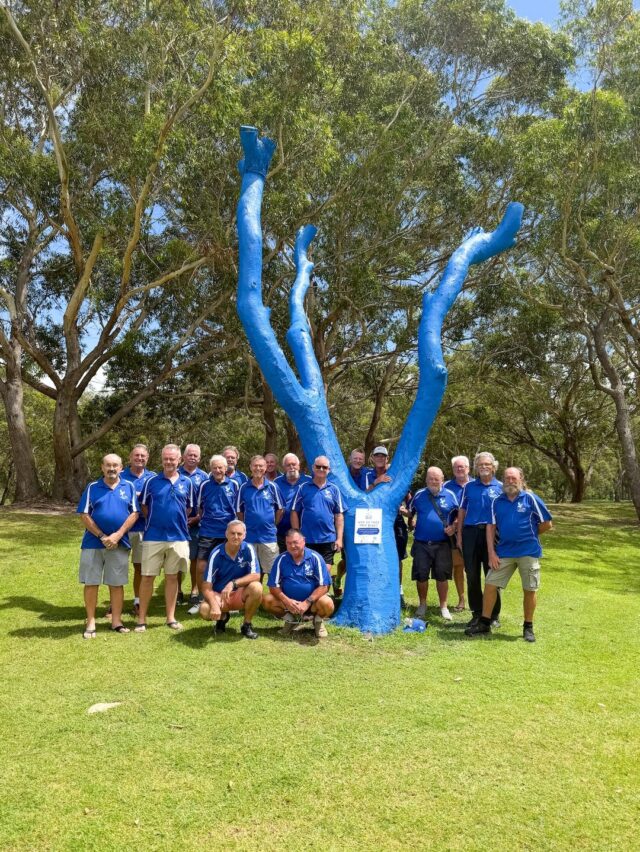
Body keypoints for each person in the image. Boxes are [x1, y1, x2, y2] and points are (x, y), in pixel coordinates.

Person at [466, 467, 552, 641]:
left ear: (521, 479)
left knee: (529, 589)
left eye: (514, 478)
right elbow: (491, 527)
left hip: (528, 552)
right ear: (503, 480)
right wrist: (491, 552)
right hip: (504, 552)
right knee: (490, 584)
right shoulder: (496, 501)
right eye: (507, 478)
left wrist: (529, 535)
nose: (510, 481)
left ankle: (528, 627)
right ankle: (485, 623)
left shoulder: (530, 498)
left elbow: (547, 523)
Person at [77, 453, 139, 638]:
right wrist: (102, 536)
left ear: (121, 468)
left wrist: (118, 535)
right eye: (108, 465)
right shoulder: (92, 487)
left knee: (117, 583)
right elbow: (84, 514)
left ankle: (116, 621)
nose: (112, 468)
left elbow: (134, 513)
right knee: (91, 582)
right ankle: (90, 622)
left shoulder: (129, 486)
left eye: (115, 465)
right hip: (93, 543)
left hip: (119, 543)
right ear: (102, 467)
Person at [135, 444, 194, 632]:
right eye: (165, 459)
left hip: (179, 536)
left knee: (172, 577)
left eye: (172, 459)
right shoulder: (151, 482)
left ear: (179, 460)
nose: (168, 462)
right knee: (147, 577)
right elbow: (144, 507)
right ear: (161, 460)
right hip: (153, 536)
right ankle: (141, 620)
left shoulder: (187, 482)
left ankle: (170, 618)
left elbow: (188, 508)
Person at [456, 451, 503, 630]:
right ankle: (477, 613)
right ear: (476, 467)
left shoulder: (501, 487)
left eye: (487, 464)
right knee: (472, 575)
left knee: (493, 574)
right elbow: (462, 511)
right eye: (480, 464)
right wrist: (459, 535)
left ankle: (493, 615)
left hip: (493, 534)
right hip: (471, 533)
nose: (484, 467)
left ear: (493, 467)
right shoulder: (468, 487)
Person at [190, 454, 240, 614]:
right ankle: (202, 599)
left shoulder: (234, 484)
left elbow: (238, 508)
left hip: (227, 533)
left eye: (220, 467)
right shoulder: (204, 485)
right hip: (208, 531)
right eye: (214, 468)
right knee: (201, 567)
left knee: (227, 567)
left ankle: (227, 599)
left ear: (226, 468)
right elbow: (199, 508)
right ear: (210, 469)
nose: (218, 470)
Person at [262, 528, 334, 638]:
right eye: (289, 543)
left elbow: (324, 586)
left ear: (303, 541)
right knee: (267, 600)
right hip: (289, 604)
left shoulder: (315, 558)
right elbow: (273, 586)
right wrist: (287, 601)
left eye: (295, 542)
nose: (292, 546)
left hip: (312, 604)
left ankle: (318, 621)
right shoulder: (281, 559)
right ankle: (291, 620)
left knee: (327, 603)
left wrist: (307, 602)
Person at [408, 467, 458, 621]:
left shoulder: (450, 495)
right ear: (426, 480)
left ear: (442, 479)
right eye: (430, 478)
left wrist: (454, 526)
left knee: (442, 576)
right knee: (421, 575)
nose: (433, 481)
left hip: (442, 543)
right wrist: (408, 519)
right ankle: (422, 605)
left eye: (437, 479)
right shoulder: (419, 494)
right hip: (421, 543)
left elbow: (459, 515)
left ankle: (443, 607)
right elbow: (410, 511)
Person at [199, 520, 263, 639]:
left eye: (239, 534)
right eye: (232, 533)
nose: (236, 537)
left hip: (239, 593)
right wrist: (214, 605)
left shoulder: (249, 549)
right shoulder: (216, 553)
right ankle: (222, 618)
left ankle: (246, 625)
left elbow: (256, 575)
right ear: (226, 534)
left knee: (257, 587)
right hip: (220, 595)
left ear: (244, 535)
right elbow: (206, 586)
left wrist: (233, 584)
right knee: (204, 610)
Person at [366, 445, 409, 609]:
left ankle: (398, 592)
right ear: (372, 458)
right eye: (377, 455)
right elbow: (362, 495)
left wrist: (406, 509)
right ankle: (376, 591)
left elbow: (407, 495)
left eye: (382, 456)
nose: (380, 458)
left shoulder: (394, 474)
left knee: (397, 557)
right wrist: (376, 482)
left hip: (395, 521)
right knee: (374, 556)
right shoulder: (367, 474)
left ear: (387, 458)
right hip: (373, 520)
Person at [290, 455, 346, 576]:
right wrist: (297, 534)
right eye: (318, 466)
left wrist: (339, 539)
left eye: (324, 467)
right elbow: (294, 511)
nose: (321, 469)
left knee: (323, 573)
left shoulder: (334, 489)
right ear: (313, 468)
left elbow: (339, 515)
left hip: (327, 539)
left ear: (329, 470)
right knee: (307, 573)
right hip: (307, 539)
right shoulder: (303, 488)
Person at [236, 454, 284, 582]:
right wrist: (244, 526)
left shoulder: (273, 487)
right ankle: (255, 593)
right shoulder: (244, 487)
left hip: (268, 536)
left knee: (273, 571)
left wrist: (273, 524)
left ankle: (274, 594)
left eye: (261, 466)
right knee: (252, 571)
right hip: (250, 537)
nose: (258, 468)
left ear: (265, 468)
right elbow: (239, 510)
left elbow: (280, 509)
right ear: (250, 467)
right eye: (255, 466)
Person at [120, 443, 155, 616]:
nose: (139, 458)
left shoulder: (153, 478)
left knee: (140, 567)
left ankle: (137, 601)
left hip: (143, 528)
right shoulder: (120, 476)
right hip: (122, 529)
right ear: (130, 457)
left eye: (143, 456)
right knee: (118, 566)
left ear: (147, 458)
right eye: (136, 455)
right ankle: (115, 604)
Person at [333, 448, 371, 597]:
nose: (358, 461)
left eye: (360, 459)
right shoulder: (343, 474)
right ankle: (338, 578)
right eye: (355, 458)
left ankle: (356, 589)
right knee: (346, 558)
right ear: (350, 459)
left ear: (364, 460)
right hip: (346, 519)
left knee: (360, 556)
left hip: (364, 521)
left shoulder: (367, 473)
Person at [178, 444, 208, 609]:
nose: (192, 457)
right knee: (177, 558)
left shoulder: (204, 476)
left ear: (199, 458)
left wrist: (197, 518)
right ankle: (177, 591)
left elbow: (206, 502)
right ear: (183, 456)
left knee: (195, 558)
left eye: (195, 455)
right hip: (177, 524)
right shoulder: (175, 473)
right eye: (189, 454)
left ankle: (194, 590)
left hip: (197, 523)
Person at [444, 455, 472, 612]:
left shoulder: (476, 485)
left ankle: (478, 600)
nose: (459, 469)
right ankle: (462, 599)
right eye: (456, 467)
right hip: (453, 534)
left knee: (474, 567)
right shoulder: (446, 486)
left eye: (462, 466)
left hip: (473, 531)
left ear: (468, 468)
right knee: (458, 566)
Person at [274, 453, 311, 552]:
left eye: (294, 464)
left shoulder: (308, 481)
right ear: (284, 467)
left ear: (299, 466)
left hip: (304, 531)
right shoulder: (276, 482)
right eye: (288, 465)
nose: (291, 467)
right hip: (281, 531)